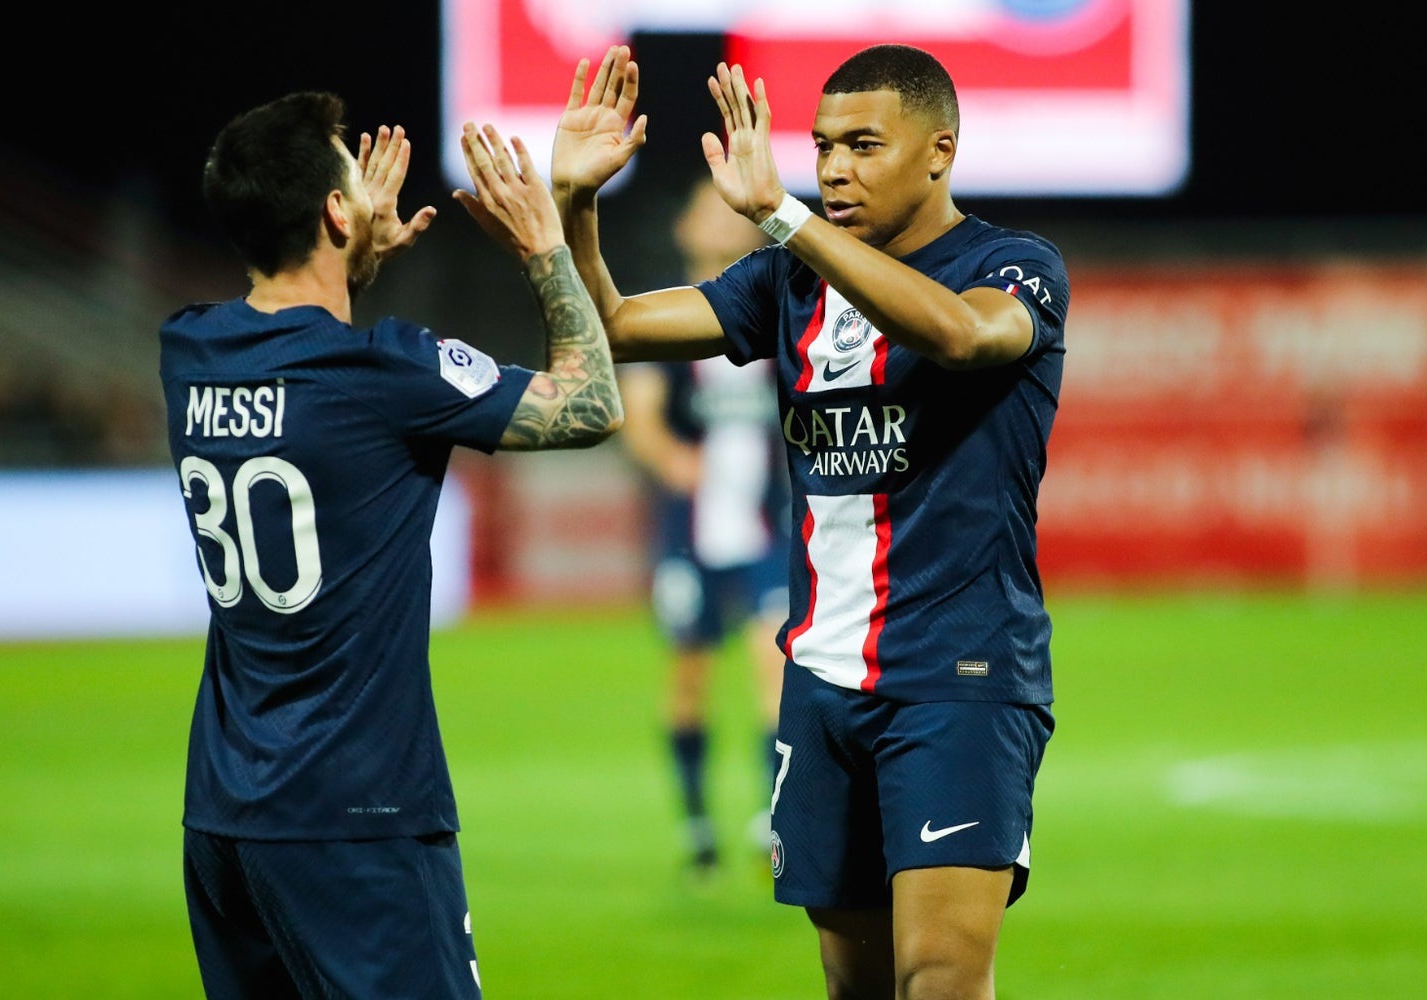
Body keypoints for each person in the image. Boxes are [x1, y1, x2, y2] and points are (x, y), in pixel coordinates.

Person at [550, 44, 1068, 999]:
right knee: (855, 987)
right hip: (822, 681)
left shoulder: (1014, 267)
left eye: (865, 144)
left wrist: (780, 218)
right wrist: (575, 204)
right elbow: (612, 327)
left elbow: (958, 335)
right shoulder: (784, 285)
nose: (833, 167)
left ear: (939, 151)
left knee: (941, 982)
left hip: (961, 679)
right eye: (823, 145)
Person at [159, 92, 620, 999]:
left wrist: (348, 259)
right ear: (338, 209)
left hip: (224, 816)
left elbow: (298, 348)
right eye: (347, 181)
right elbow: (593, 402)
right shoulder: (391, 372)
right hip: (357, 817)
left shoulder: (190, 350)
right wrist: (543, 247)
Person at [617, 176, 786, 876]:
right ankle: (695, 822)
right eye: (704, 210)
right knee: (687, 677)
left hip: (769, 526)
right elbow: (641, 413)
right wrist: (666, 455)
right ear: (685, 230)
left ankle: (772, 812)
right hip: (690, 530)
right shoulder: (663, 316)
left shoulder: (778, 311)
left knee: (776, 666)